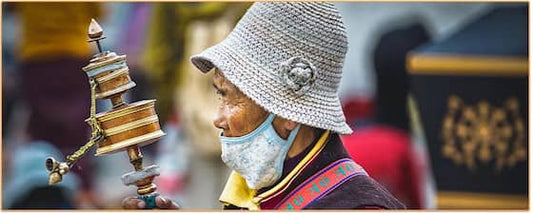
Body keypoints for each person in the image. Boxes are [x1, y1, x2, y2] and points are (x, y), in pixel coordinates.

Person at [123, 2, 405, 209]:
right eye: (219, 95)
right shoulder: (262, 188)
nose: (218, 119)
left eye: (231, 98)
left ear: (288, 114)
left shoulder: (358, 206)